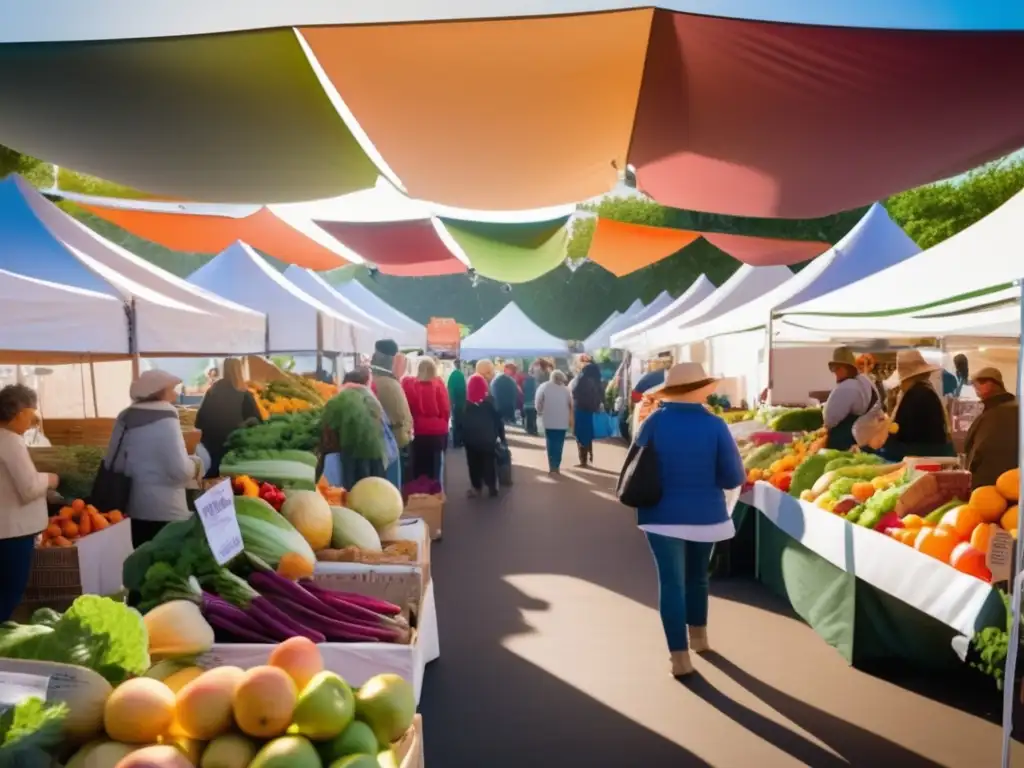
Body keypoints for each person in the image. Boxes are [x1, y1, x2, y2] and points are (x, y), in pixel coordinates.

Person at [631, 363, 745, 678]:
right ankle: (700, 638)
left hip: (660, 514)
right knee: (698, 578)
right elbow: (733, 476)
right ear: (701, 390)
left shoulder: (652, 422)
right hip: (706, 515)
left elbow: (637, 465)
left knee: (671, 583)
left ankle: (679, 658)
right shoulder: (716, 426)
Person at [107, 371, 201, 549]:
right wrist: (196, 465)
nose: (175, 394)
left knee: (142, 564)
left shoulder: (125, 416)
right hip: (168, 512)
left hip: (134, 510)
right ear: (160, 392)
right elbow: (179, 471)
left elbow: (115, 464)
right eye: (172, 389)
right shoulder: (167, 415)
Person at [0, 385, 59, 621]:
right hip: (12, 533)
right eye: (31, 413)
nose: (32, 420)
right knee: (9, 593)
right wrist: (50, 479)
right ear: (20, 412)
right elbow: (29, 488)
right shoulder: (11, 441)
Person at [318, 367, 390, 489]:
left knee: (355, 491)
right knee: (377, 490)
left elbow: (325, 427)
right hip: (379, 452)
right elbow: (384, 422)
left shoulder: (337, 399)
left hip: (355, 452)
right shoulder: (371, 397)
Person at [880, 349, 955, 461]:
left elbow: (906, 429)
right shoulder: (924, 390)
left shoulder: (917, 394)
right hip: (927, 452)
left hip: (920, 454)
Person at [195, 358, 262, 477]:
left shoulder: (213, 390)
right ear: (240, 371)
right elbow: (258, 422)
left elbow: (199, 421)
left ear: (223, 369)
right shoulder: (244, 393)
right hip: (233, 450)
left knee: (213, 480)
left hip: (210, 448)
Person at [964, 367, 1019, 488]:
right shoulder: (1011, 408)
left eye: (977, 385)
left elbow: (980, 450)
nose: (975, 389)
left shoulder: (997, 414)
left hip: (989, 487)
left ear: (989, 384)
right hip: (1012, 485)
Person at [370, 340, 413, 489]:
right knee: (393, 485)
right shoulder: (389, 383)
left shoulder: (384, 382)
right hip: (395, 440)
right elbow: (401, 415)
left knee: (392, 485)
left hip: (393, 441)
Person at [403, 358, 451, 481]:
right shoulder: (439, 384)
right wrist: (443, 423)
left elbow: (407, 409)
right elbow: (445, 409)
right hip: (438, 432)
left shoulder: (409, 385)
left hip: (418, 431)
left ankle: (419, 494)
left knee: (418, 467)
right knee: (436, 468)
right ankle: (435, 494)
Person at [823, 347, 877, 451]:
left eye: (836, 368)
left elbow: (830, 418)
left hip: (845, 440)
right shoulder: (864, 381)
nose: (835, 373)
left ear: (844, 368)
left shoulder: (847, 386)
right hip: (861, 437)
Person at [462, 374, 504, 498]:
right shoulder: (490, 402)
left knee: (473, 463)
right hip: (488, 438)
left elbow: (461, 423)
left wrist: (461, 437)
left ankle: (476, 487)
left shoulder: (466, 405)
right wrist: (502, 437)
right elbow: (498, 421)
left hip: (471, 440)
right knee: (489, 462)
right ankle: (491, 486)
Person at [536, 371, 572, 474]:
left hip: (549, 419)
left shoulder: (544, 386)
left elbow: (538, 401)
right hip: (562, 421)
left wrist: (539, 411)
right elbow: (570, 403)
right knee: (559, 444)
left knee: (550, 442)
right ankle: (557, 465)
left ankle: (552, 465)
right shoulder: (565, 390)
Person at [572, 361, 604, 467]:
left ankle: (583, 459)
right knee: (588, 433)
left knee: (579, 434)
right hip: (592, 410)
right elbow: (602, 395)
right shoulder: (598, 381)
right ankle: (589, 454)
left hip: (580, 409)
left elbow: (574, 391)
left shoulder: (581, 379)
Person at [447, 364, 467, 449]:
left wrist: (450, 403)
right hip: (461, 403)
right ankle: (459, 441)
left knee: (456, 422)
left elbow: (450, 390)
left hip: (456, 403)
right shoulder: (460, 375)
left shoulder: (453, 375)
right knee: (460, 422)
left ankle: (457, 441)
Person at [522, 365, 539, 436]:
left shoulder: (526, 380)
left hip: (527, 402)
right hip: (532, 402)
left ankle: (530, 430)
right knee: (532, 417)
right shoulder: (533, 380)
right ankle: (532, 430)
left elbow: (524, 390)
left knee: (529, 417)